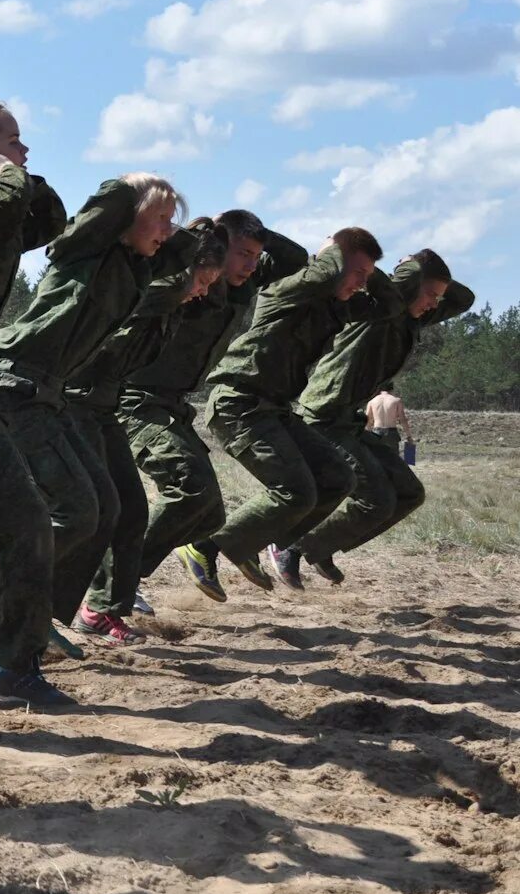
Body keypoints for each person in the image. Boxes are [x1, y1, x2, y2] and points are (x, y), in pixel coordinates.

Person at [0, 173, 184, 680]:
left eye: (172, 221)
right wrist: (135, 187)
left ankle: (35, 616)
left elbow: (181, 250)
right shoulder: (85, 249)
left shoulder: (132, 267)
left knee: (105, 507)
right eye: (162, 217)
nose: (169, 230)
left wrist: (185, 229)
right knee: (73, 510)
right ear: (127, 214)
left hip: (50, 393)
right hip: (17, 384)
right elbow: (105, 204)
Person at [181, 228, 393, 595]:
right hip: (239, 402)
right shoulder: (291, 289)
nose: (362, 284)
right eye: (357, 273)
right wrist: (333, 252)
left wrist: (369, 273)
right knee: (294, 490)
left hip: (275, 408)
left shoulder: (336, 306)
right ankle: (203, 548)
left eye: (366, 277)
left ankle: (249, 542)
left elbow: (389, 306)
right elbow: (312, 263)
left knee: (338, 477)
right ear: (335, 263)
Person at [120, 211, 307, 605]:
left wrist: (254, 233)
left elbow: (295, 259)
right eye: (242, 253)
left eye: (256, 255)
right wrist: (211, 233)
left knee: (209, 511)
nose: (251, 265)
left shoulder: (245, 279)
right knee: (189, 488)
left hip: (170, 401)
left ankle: (122, 577)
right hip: (133, 394)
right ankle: (116, 581)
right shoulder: (185, 272)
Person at [67, 222, 227, 644]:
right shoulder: (144, 294)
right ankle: (5, 587)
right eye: (201, 280)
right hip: (70, 400)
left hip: (101, 403)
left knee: (131, 511)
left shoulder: (172, 305)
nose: (204, 292)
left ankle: (101, 612)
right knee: (82, 510)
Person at [292, 251, 474, 584]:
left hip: (348, 421)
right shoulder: (374, 310)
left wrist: (429, 277)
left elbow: (464, 299)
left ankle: (319, 546)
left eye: (438, 297)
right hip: (323, 416)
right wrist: (410, 270)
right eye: (430, 294)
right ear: (407, 287)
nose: (435, 304)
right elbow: (400, 289)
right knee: (376, 499)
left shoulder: (413, 319)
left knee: (409, 493)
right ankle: (293, 547)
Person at [364, 386, 411, 450]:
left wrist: (367, 436)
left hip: (377, 432)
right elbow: (403, 420)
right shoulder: (396, 401)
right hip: (391, 432)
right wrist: (408, 435)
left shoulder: (372, 401)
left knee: (378, 457)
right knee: (394, 458)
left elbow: (367, 420)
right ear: (392, 389)